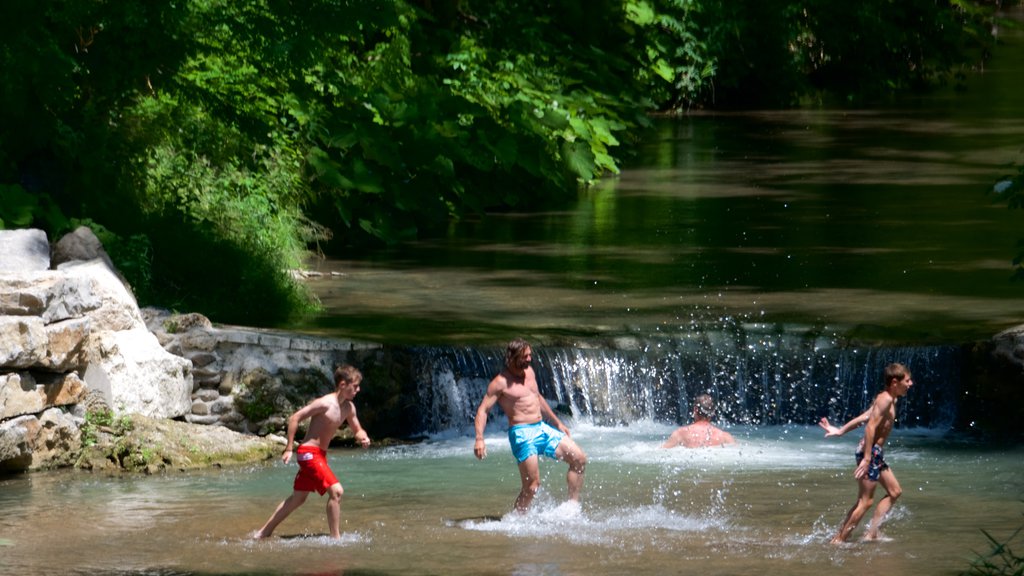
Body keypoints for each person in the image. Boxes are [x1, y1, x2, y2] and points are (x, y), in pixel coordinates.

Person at [254, 364, 371, 540]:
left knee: (298, 498)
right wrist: (289, 448)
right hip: (309, 453)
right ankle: (336, 540)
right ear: (342, 385)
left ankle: (263, 533)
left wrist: (363, 437)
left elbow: (357, 429)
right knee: (337, 492)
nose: (358, 389)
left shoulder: (349, 408)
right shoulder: (324, 403)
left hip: (319, 455)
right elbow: (295, 418)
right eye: (355, 386)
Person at [473, 338, 588, 513]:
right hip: (521, 433)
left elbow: (537, 398)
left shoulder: (530, 372)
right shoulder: (500, 382)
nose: (529, 359)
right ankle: (517, 520)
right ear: (512, 357)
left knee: (579, 459)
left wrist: (557, 423)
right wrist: (480, 439)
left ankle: (572, 508)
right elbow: (483, 410)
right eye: (525, 356)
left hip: (542, 428)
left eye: (529, 355)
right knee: (532, 485)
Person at [825, 362, 914, 544]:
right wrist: (866, 459)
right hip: (870, 453)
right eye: (908, 380)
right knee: (865, 502)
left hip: (875, 453)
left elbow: (864, 417)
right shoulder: (885, 399)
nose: (910, 384)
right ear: (895, 382)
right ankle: (838, 540)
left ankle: (871, 533)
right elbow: (870, 427)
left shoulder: (890, 399)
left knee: (894, 491)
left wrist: (841, 431)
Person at [661, 393, 736, 448]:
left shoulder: (681, 433)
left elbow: (662, 452)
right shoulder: (724, 437)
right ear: (713, 413)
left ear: (695, 410)